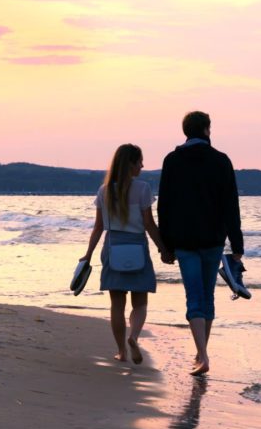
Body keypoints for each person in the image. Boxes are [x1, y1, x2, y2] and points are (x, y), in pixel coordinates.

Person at [158, 111, 244, 376]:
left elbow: (165, 205)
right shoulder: (221, 161)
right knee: (207, 297)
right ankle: (201, 353)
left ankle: (202, 355)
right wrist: (237, 244)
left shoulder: (172, 160)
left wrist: (165, 245)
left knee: (193, 297)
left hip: (183, 240)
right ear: (207, 130)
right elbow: (231, 204)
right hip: (212, 239)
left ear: (186, 131)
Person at [81, 144, 168, 364]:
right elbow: (148, 223)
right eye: (140, 161)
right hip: (137, 247)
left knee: (117, 305)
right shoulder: (143, 188)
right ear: (131, 164)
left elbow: (98, 227)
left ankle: (121, 351)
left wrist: (88, 254)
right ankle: (134, 336)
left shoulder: (104, 190)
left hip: (112, 247)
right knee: (140, 303)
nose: (142, 165)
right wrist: (163, 247)